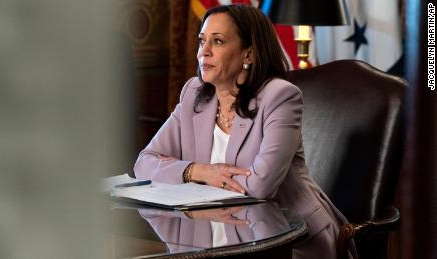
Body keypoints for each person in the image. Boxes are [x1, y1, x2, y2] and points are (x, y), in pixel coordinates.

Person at [134, 4, 355, 258]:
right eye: (201, 41)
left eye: (217, 42)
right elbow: (144, 163)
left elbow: (261, 185)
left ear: (248, 54)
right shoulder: (194, 93)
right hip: (213, 235)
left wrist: (182, 174)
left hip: (289, 241)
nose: (203, 52)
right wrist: (198, 171)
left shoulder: (280, 97)